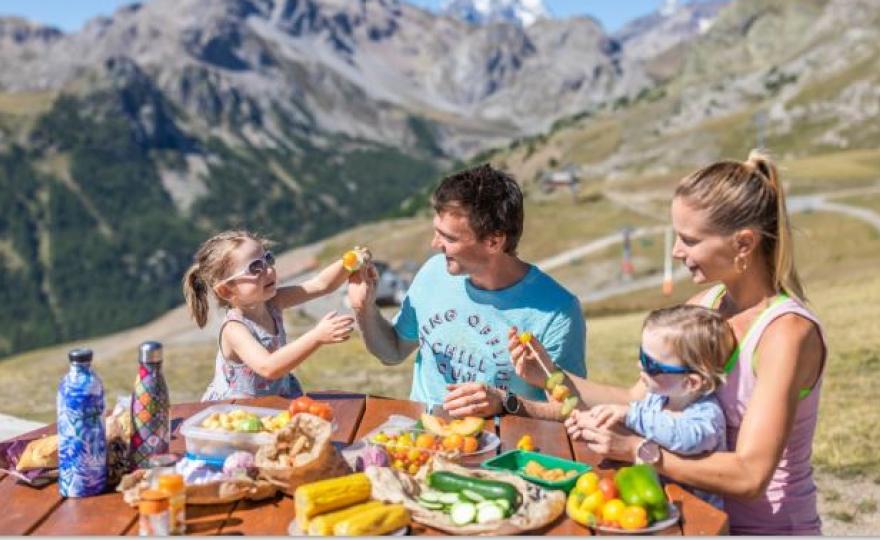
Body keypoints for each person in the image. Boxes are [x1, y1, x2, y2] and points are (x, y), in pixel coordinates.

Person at [510, 150, 826, 535]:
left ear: (744, 243)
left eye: (689, 239)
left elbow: (750, 475)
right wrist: (550, 376)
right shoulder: (705, 307)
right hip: (696, 522)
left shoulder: (786, 334)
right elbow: (636, 398)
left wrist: (638, 450)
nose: (676, 251)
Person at [348, 164, 587, 418]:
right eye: (436, 232)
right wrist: (364, 309)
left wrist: (505, 403)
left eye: (449, 238)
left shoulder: (557, 311)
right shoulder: (433, 272)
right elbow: (393, 351)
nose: (434, 244)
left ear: (493, 242)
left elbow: (568, 409)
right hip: (424, 440)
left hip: (505, 450)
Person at [577, 304, 734, 509]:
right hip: (658, 503)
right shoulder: (657, 398)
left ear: (691, 383)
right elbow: (637, 431)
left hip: (698, 517)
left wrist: (632, 415)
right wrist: (595, 423)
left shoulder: (706, 414)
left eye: (651, 364)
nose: (639, 365)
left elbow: (684, 438)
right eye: (642, 355)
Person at [183, 229, 359, 401]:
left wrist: (349, 262)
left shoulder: (273, 302)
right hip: (238, 411)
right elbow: (268, 367)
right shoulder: (234, 328)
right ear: (226, 290)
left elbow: (321, 285)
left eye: (267, 259)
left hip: (275, 400)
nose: (269, 270)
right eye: (255, 268)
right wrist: (316, 337)